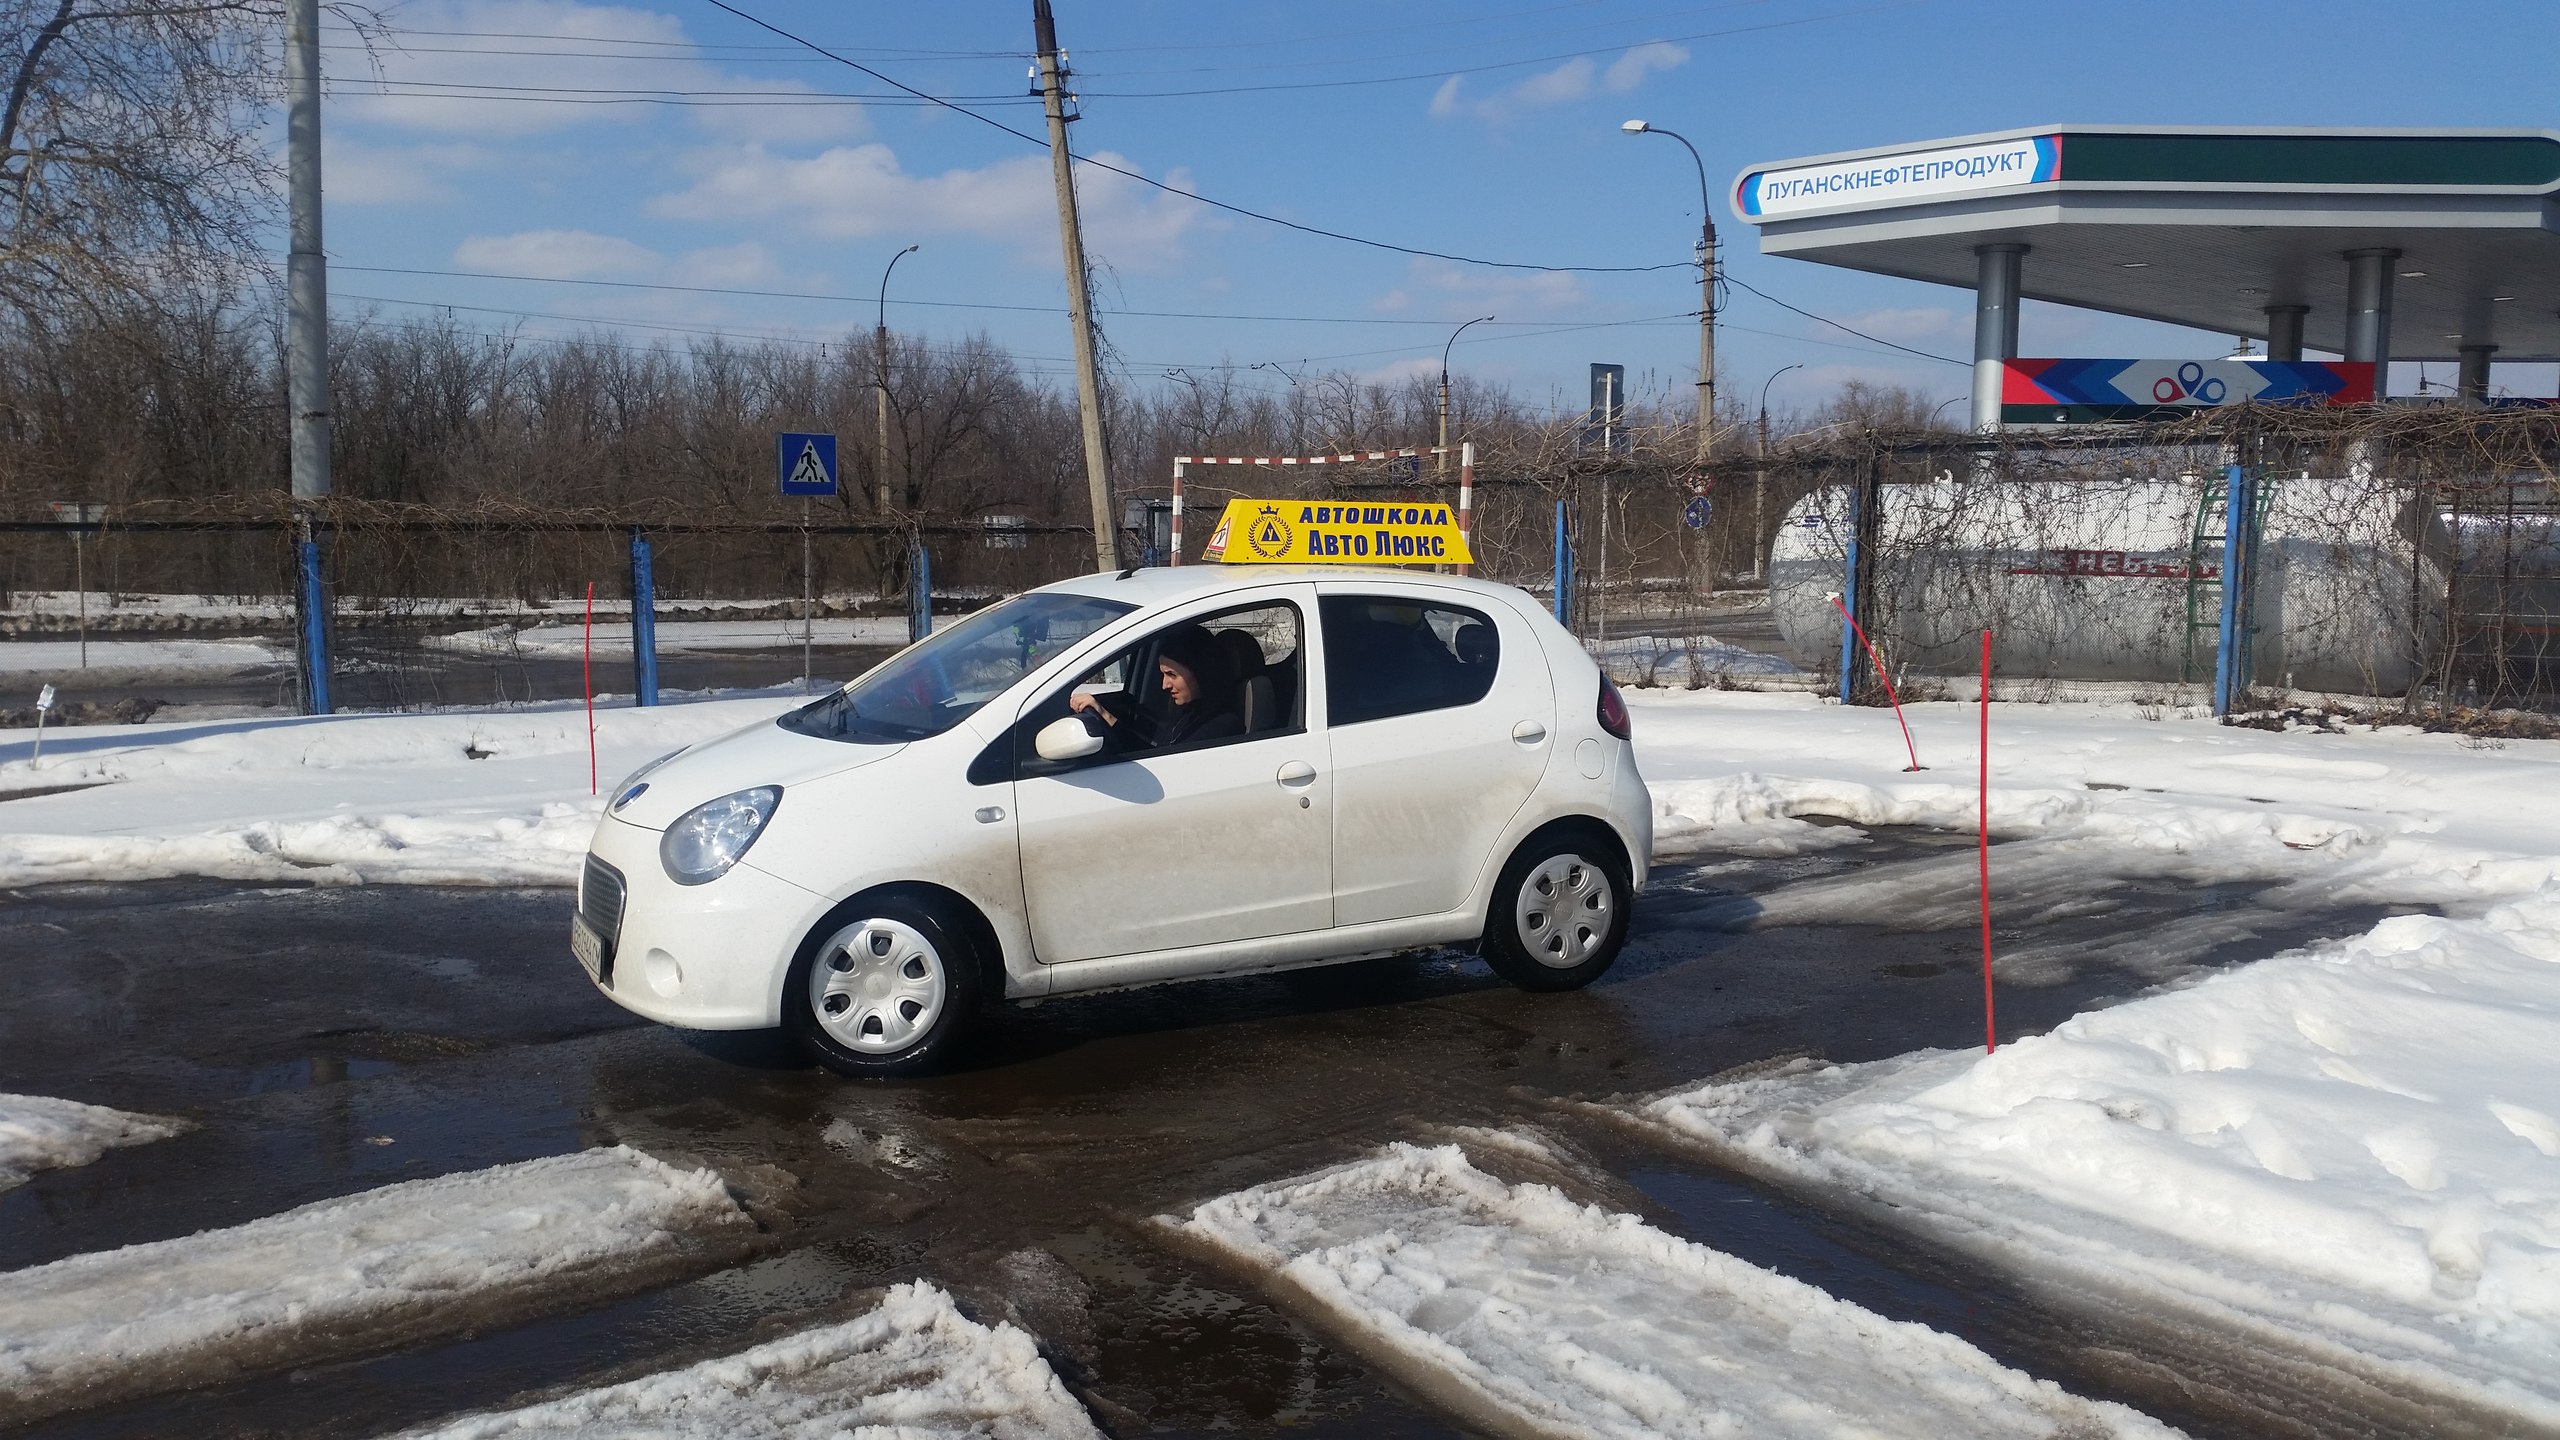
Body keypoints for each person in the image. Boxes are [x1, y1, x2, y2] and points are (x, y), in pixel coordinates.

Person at [1069, 625, 1240, 751]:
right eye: (1162, 674)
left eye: (1172, 675)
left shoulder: (1222, 725)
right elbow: (1152, 754)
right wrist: (1104, 715)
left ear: (1201, 672)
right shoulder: (1188, 713)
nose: (1164, 685)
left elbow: (1164, 765)